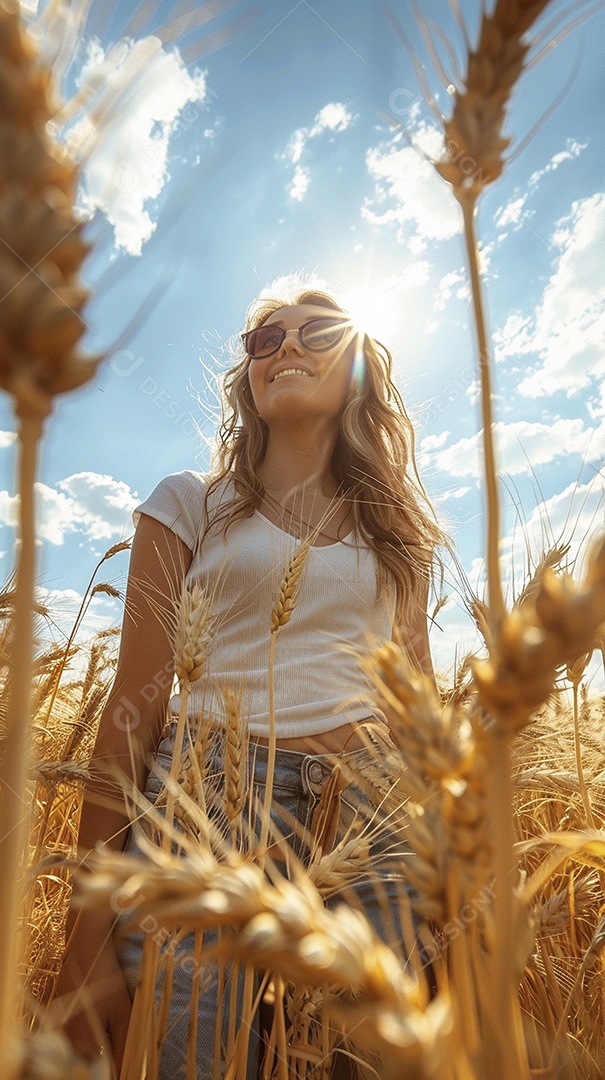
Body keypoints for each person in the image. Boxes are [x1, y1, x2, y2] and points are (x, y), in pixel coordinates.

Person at [55, 287, 445, 1078]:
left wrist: (452, 881)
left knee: (360, 1060)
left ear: (360, 365)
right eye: (265, 337)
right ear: (248, 374)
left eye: (318, 331)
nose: (287, 346)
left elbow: (419, 714)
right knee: (188, 1058)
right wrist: (84, 939)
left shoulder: (400, 535)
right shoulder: (188, 502)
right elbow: (132, 710)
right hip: (203, 805)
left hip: (370, 818)